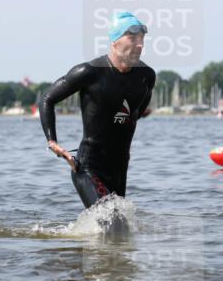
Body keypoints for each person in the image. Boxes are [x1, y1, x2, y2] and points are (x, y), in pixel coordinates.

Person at [40, 12, 156, 208]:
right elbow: (47, 99)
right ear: (114, 41)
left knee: (119, 231)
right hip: (88, 167)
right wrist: (52, 141)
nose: (140, 44)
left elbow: (133, 114)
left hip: (120, 168)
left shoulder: (146, 76)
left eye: (142, 39)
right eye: (133, 38)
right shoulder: (90, 72)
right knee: (110, 223)